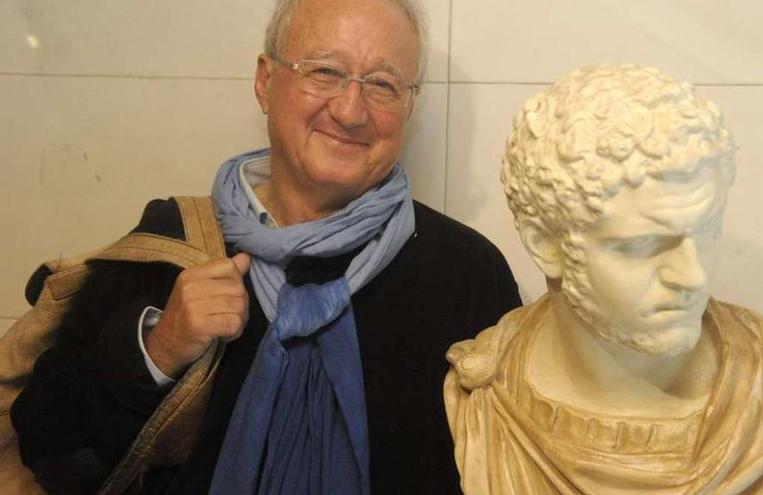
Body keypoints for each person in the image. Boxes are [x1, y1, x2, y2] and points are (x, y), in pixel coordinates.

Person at [11, 0, 521, 493]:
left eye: (383, 84)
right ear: (265, 80)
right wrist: (159, 348)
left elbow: (512, 470)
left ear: (409, 105)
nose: (350, 109)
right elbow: (51, 452)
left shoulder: (468, 275)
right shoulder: (171, 244)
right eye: (324, 71)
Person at [444, 65, 763, 494]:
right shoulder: (483, 390)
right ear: (546, 245)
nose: (693, 276)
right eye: (644, 245)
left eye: (705, 233)